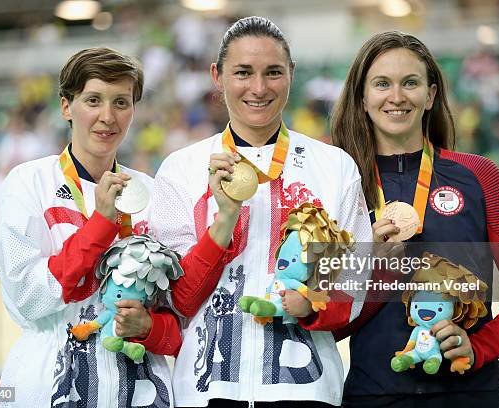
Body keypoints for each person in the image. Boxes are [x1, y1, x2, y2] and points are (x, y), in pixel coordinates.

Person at [150, 16, 372, 408]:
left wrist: (313, 302)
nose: (258, 88)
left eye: (273, 72)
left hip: (306, 388)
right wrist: (225, 220)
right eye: (242, 72)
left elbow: (355, 283)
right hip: (206, 389)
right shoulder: (181, 169)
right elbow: (177, 298)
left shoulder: (334, 166)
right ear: (217, 76)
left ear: (291, 74)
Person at [330, 31, 499, 407]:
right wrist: (374, 271)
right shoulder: (338, 184)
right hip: (375, 395)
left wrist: (478, 347)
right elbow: (325, 320)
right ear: (362, 98)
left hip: (470, 393)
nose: (396, 97)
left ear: (430, 95)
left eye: (410, 83)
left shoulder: (480, 175)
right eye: (382, 84)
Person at [0, 47, 185, 407]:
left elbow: (180, 319)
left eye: (121, 103)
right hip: (49, 382)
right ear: (67, 106)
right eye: (93, 100)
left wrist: (149, 328)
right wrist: (101, 224)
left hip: (141, 389)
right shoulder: (27, 182)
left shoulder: (152, 192)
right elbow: (29, 298)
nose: (107, 117)